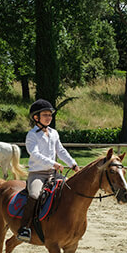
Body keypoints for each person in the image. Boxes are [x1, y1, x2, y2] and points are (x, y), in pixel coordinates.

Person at [17, 99, 79, 242]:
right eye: (45, 115)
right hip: (38, 174)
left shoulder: (54, 133)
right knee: (34, 195)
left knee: (71, 190)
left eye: (50, 115)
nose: (49, 117)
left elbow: (61, 150)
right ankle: (24, 228)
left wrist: (73, 164)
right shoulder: (32, 135)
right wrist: (54, 163)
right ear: (36, 117)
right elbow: (35, 154)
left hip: (54, 174)